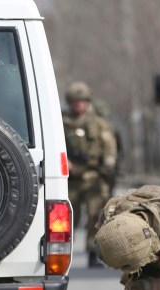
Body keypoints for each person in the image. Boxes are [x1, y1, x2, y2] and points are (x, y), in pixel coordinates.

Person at [62, 81, 118, 267]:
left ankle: (93, 252)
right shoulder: (61, 123)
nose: (80, 105)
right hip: (71, 178)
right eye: (76, 102)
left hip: (94, 176)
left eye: (83, 101)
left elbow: (109, 146)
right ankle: (60, 252)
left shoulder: (99, 123)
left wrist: (108, 164)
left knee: (96, 215)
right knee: (67, 217)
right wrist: (63, 162)